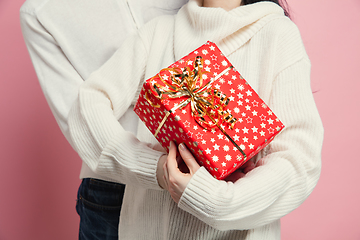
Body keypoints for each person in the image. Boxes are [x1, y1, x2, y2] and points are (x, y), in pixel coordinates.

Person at [67, 0, 324, 239]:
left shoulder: (278, 34)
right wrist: (157, 170)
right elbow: (87, 106)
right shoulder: (157, 33)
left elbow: (299, 160)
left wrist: (216, 200)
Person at [19, 0, 189, 239]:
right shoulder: (41, 11)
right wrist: (159, 169)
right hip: (115, 186)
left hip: (209, 170)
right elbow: (78, 119)